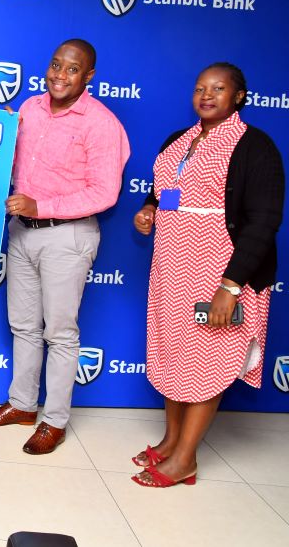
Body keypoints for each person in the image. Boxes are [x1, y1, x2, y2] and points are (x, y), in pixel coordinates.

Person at [130, 63, 284, 487]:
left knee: (206, 360)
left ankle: (185, 460)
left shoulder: (256, 146)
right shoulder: (178, 141)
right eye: (199, 88)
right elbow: (164, 192)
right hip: (171, 272)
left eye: (218, 88)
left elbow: (263, 220)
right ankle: (170, 442)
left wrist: (230, 287)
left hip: (218, 275)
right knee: (174, 353)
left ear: (238, 95)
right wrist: (149, 209)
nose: (206, 95)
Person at [0, 39, 130, 455]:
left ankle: (54, 421)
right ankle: (24, 405)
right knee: (24, 325)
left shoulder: (101, 124)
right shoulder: (29, 108)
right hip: (22, 230)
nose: (60, 75)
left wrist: (42, 205)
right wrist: (3, 139)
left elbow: (105, 193)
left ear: (89, 76)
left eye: (72, 69)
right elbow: (16, 165)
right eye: (56, 65)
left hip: (67, 235)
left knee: (60, 333)